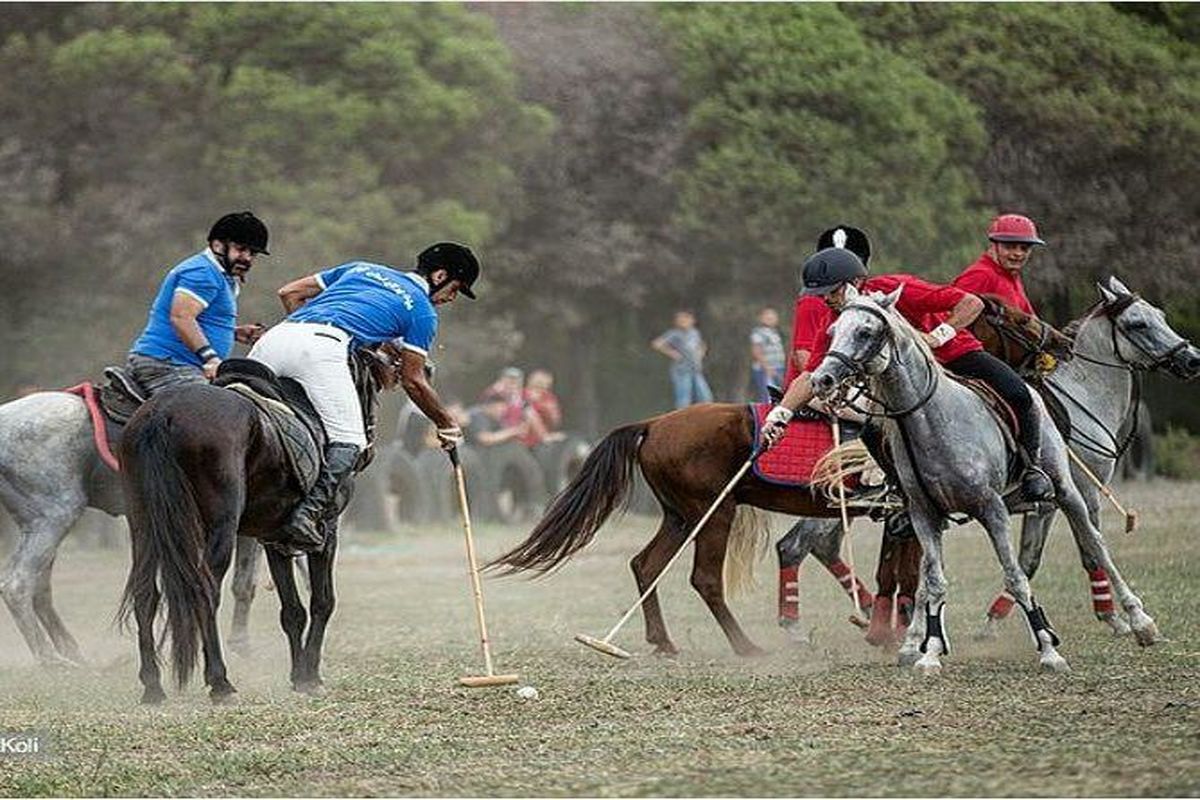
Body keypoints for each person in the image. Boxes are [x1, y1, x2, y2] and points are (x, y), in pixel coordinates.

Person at [761, 246, 1055, 504]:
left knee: (1017, 392)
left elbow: (971, 303)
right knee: (872, 427)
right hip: (908, 380)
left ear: (854, 283)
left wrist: (938, 336)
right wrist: (782, 414)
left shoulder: (896, 287)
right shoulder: (837, 318)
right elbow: (810, 372)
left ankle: (1034, 469)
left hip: (955, 355)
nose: (825, 300)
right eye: (821, 294)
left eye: (831, 292)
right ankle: (904, 494)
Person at [248, 241, 480, 551]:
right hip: (322, 347)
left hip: (273, 340)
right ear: (439, 276)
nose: (451, 298)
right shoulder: (423, 312)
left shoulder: (361, 268)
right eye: (456, 288)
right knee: (352, 441)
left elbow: (289, 293)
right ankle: (306, 516)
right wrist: (446, 422)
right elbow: (414, 380)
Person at [128, 211, 270, 394]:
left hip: (178, 363)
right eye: (241, 249)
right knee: (215, 416)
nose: (247, 258)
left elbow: (196, 318)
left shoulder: (220, 275)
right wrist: (210, 359)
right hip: (169, 364)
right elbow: (181, 317)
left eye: (253, 253)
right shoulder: (202, 273)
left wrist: (232, 332)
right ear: (218, 245)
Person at [952, 213, 1045, 316]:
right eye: (1009, 247)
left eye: (1024, 248)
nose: (1018, 253)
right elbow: (949, 317)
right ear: (993, 246)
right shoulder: (980, 275)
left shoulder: (1011, 275)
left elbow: (1030, 320)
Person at [651, 310, 714, 408]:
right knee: (684, 399)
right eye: (680, 320)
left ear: (692, 320)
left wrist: (700, 354)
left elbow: (702, 344)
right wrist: (672, 353)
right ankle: (682, 420)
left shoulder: (695, 333)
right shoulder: (674, 333)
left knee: (705, 396)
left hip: (695, 369)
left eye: (685, 319)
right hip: (682, 370)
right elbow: (657, 344)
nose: (683, 322)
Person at [748, 307, 786, 402]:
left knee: (778, 395)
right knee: (767, 396)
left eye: (773, 317)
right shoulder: (759, 332)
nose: (771, 319)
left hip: (778, 367)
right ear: (761, 318)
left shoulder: (775, 332)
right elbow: (757, 351)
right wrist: (767, 367)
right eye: (768, 317)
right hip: (766, 369)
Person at [520, 368, 565, 447]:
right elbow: (525, 412)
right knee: (528, 410)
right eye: (539, 382)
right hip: (524, 433)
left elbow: (556, 422)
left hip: (543, 436)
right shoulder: (522, 394)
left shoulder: (549, 397)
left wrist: (551, 410)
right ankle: (544, 436)